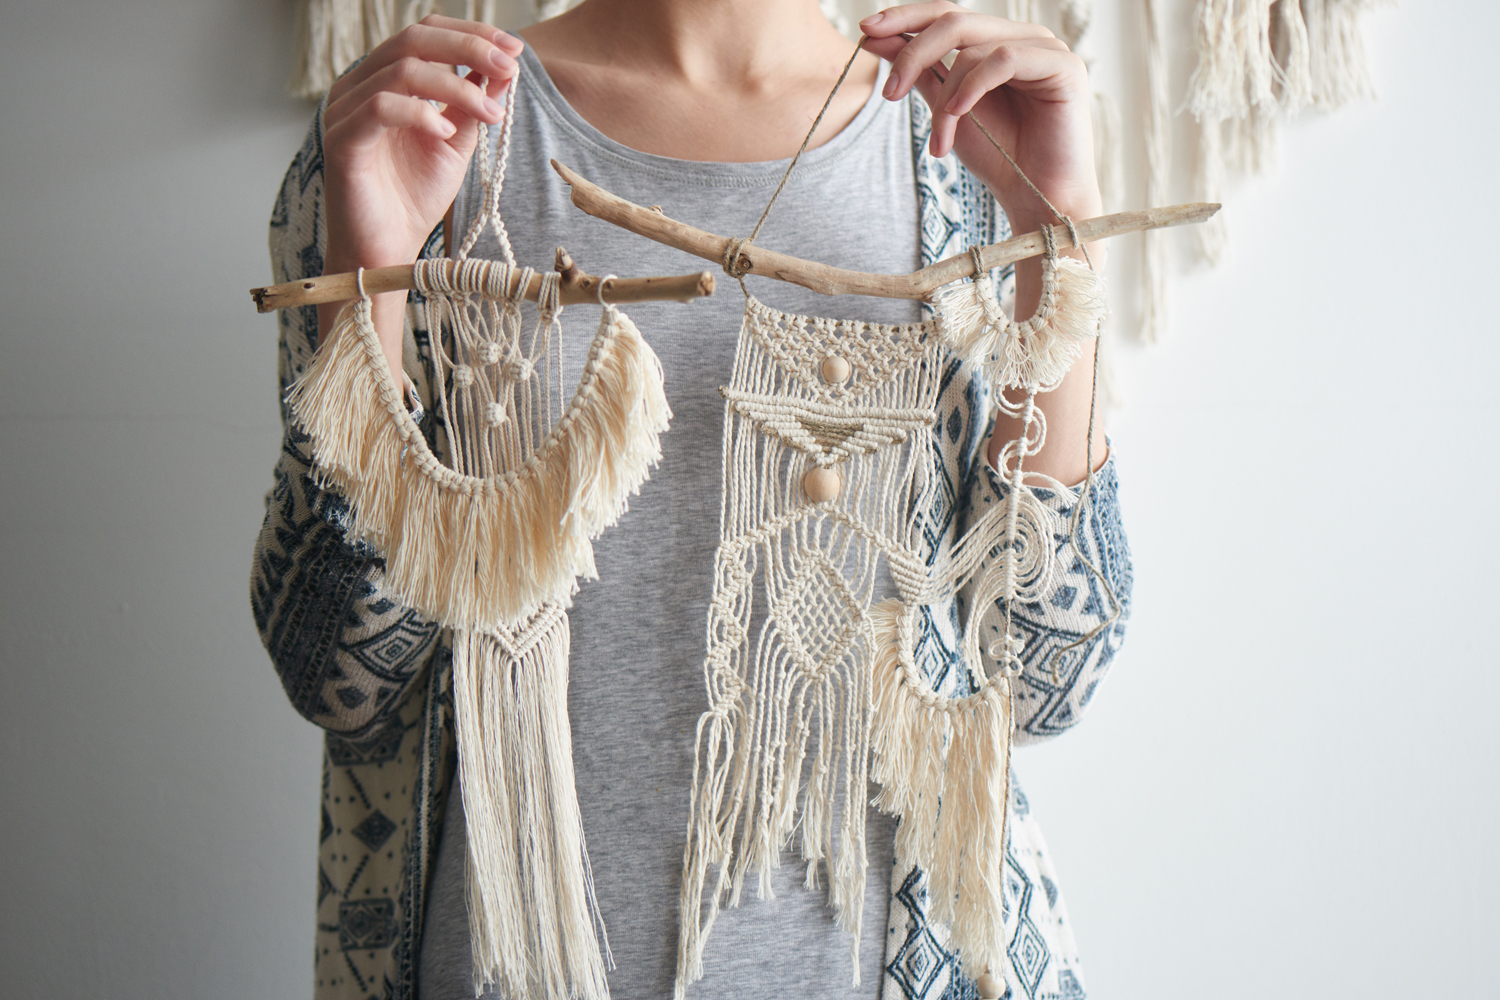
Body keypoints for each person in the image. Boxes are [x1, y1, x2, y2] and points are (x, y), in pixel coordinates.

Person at [252, 2, 1132, 998]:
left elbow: (1048, 674)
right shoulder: (421, 132)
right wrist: (365, 283)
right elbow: (337, 673)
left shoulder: (965, 156)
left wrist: (1058, 214)